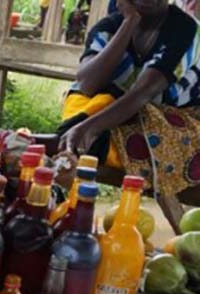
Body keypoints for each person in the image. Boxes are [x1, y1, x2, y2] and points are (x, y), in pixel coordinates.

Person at [57, 0, 200, 197]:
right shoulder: (108, 28)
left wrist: (89, 127)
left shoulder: (184, 28)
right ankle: (71, 144)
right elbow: (87, 84)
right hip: (120, 114)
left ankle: (57, 145)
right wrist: (129, 22)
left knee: (103, 122)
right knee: (81, 100)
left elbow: (144, 91)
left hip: (177, 122)